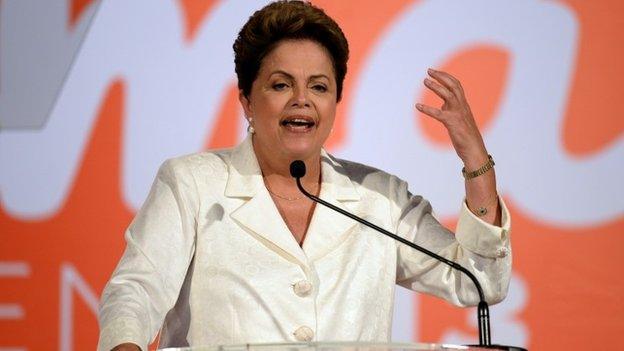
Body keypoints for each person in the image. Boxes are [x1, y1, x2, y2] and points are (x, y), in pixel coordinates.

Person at [97, 1, 511, 350]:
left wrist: (474, 157)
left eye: (318, 87)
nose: (301, 100)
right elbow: (135, 291)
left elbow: (478, 281)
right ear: (246, 100)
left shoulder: (378, 198)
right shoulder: (192, 184)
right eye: (280, 85)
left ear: (335, 102)